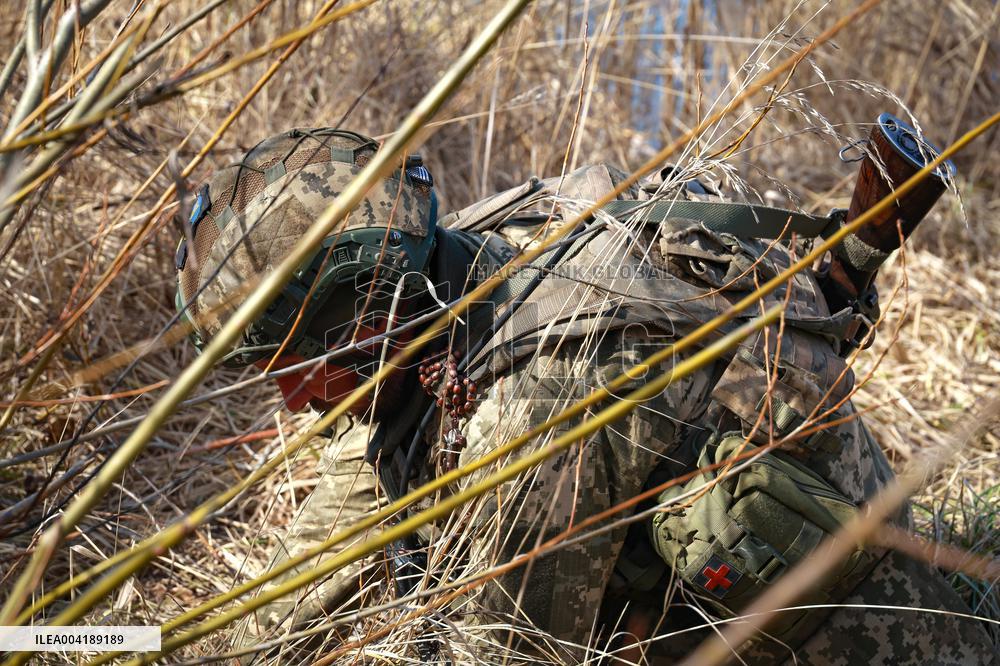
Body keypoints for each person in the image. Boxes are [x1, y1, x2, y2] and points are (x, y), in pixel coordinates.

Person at [175, 127, 996, 664]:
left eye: (288, 366)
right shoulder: (452, 268)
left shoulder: (533, 418)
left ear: (364, 324)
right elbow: (304, 575)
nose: (286, 400)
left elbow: (508, 649)